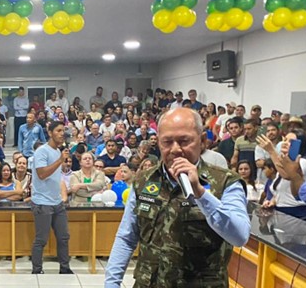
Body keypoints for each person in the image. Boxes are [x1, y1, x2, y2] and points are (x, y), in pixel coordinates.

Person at [105, 108, 250, 287]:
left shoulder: (226, 182)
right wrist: (112, 283)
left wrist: (200, 193)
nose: (175, 149)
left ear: (202, 141)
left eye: (184, 141)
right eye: (167, 142)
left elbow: (239, 236)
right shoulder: (144, 180)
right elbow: (127, 237)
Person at [30, 121, 74, 274]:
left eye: (64, 131)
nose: (62, 134)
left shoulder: (58, 152)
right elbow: (41, 174)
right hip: (42, 202)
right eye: (58, 130)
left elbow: (56, 176)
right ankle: (37, 270)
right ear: (49, 133)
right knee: (41, 239)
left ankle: (65, 268)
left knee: (63, 237)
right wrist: (60, 161)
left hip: (57, 201)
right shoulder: (42, 151)